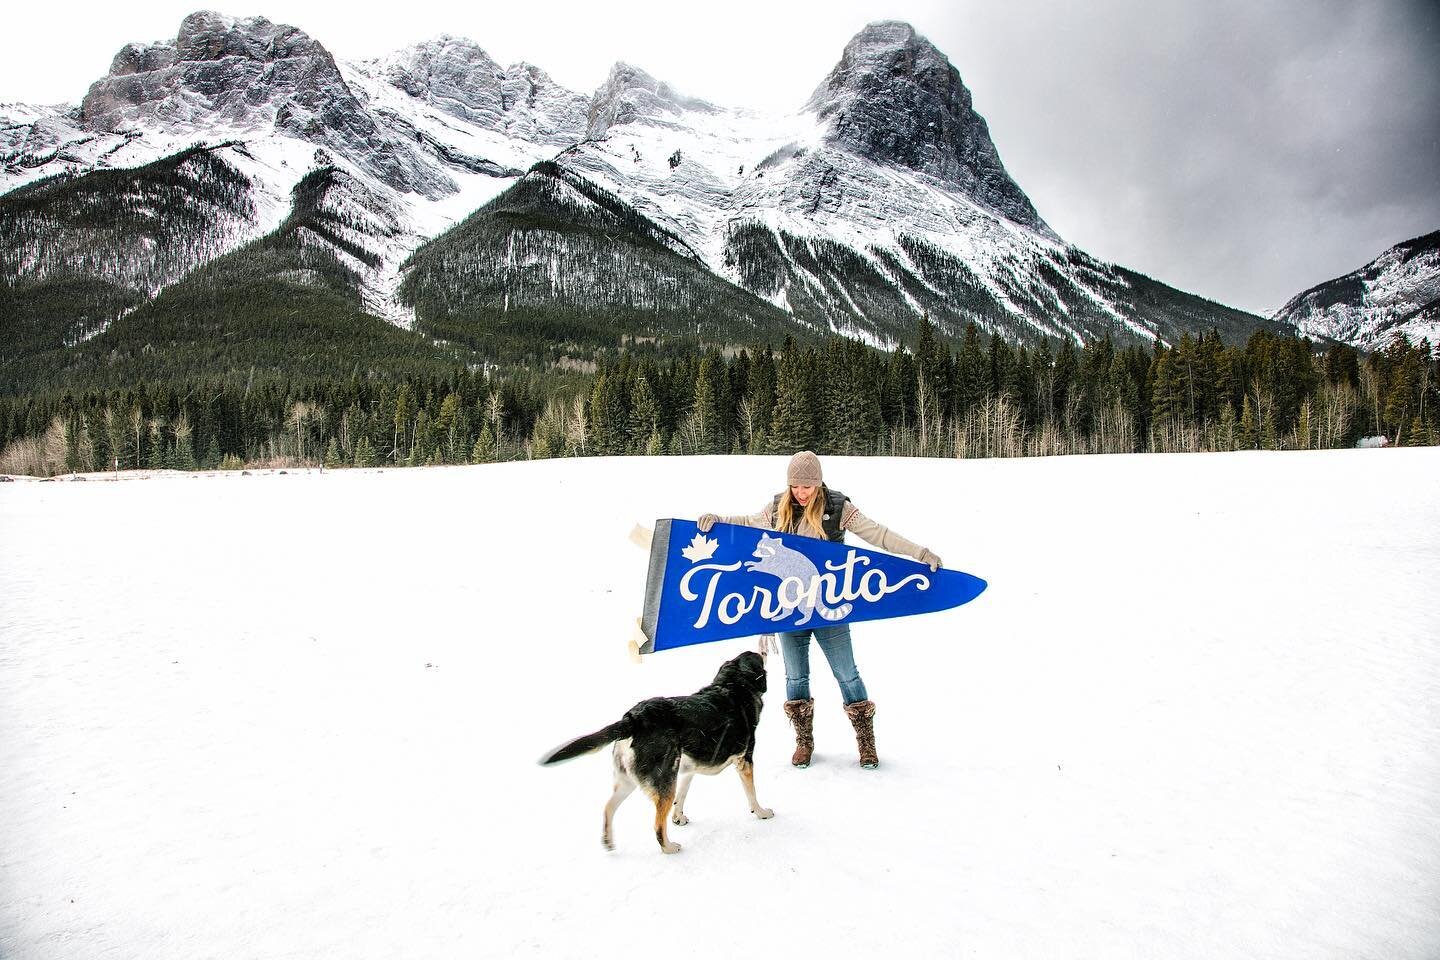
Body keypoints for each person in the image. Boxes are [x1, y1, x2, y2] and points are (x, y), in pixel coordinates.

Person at [698, 451, 942, 770]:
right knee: (796, 675)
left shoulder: (837, 508)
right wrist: (717, 520)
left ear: (818, 484)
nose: (801, 493)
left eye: (807, 487)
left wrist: (919, 552)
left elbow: (878, 534)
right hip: (789, 609)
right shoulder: (777, 509)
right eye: (796, 487)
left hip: (828, 610)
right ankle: (804, 741)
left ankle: (865, 742)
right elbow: (746, 525)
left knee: (847, 673)